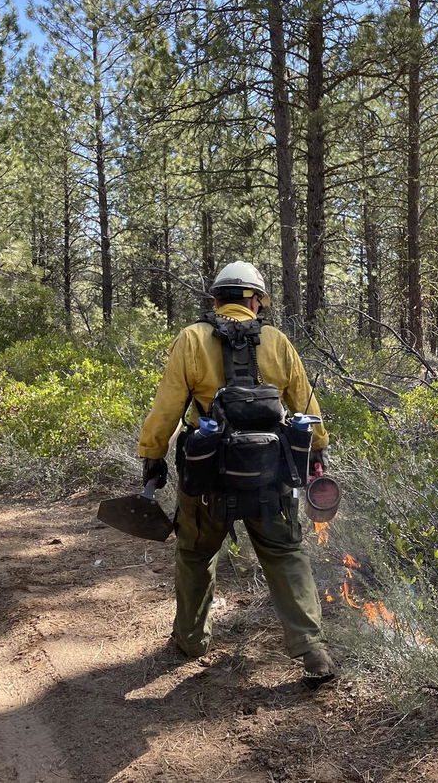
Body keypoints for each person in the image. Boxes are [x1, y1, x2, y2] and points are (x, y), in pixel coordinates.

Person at [137, 260, 334, 680]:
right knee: (284, 553)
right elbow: (305, 405)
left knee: (195, 552)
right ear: (256, 300)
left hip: (207, 473)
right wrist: (317, 451)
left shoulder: (191, 339)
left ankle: (190, 640)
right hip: (272, 472)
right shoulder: (277, 341)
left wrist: (152, 455)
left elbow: (167, 408)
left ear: (216, 299)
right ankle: (311, 648)